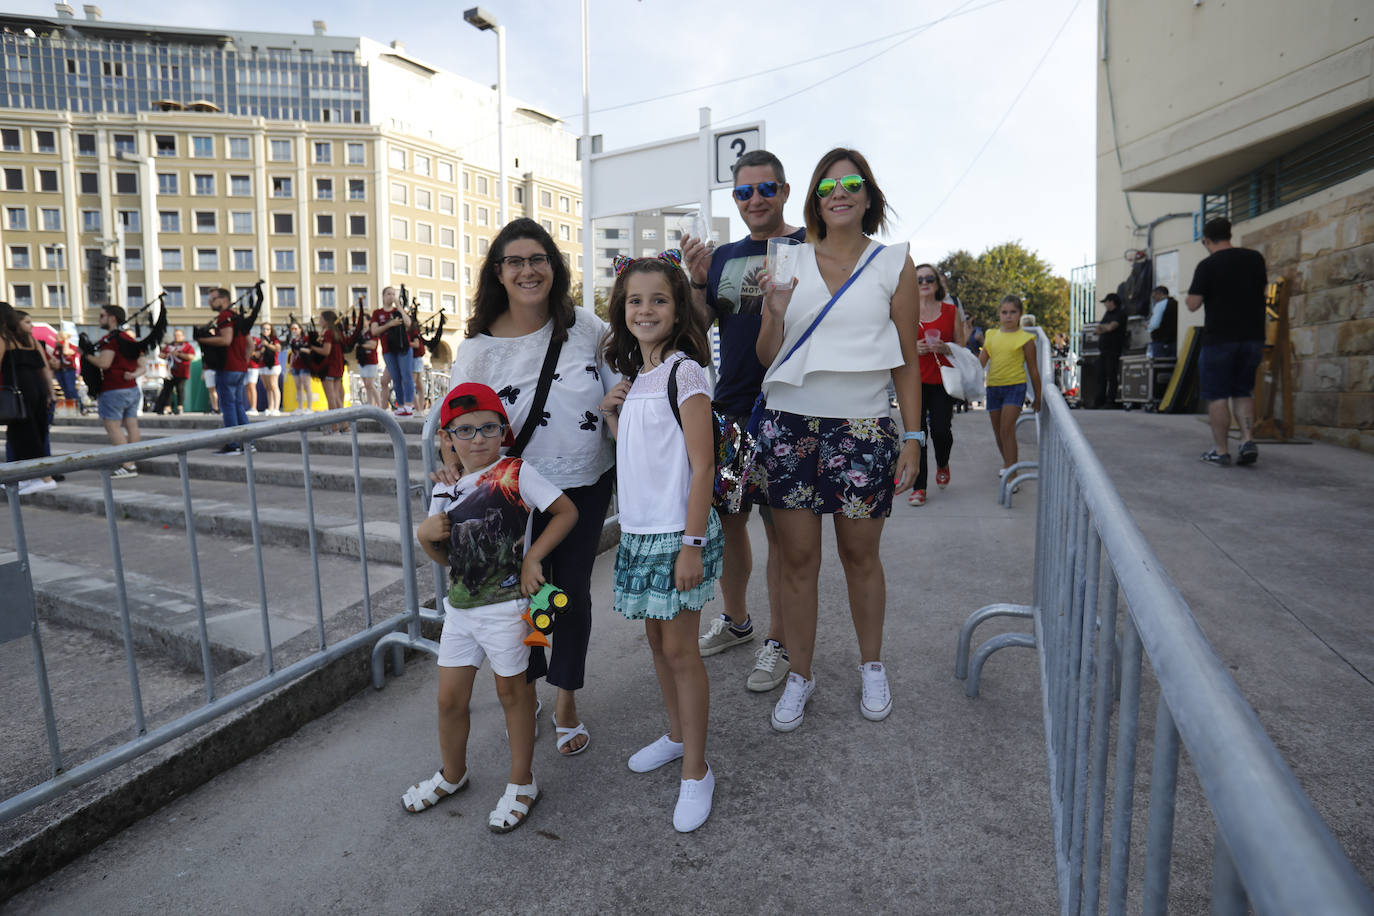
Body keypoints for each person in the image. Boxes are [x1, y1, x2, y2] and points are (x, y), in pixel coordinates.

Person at [754, 148, 923, 732]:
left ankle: (871, 664)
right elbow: (765, 358)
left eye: (852, 183)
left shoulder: (894, 263)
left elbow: (904, 358)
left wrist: (913, 435)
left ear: (869, 195)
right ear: (816, 199)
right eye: (829, 185)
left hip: (863, 429)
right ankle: (800, 674)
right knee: (798, 560)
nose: (840, 192)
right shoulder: (787, 256)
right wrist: (772, 314)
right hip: (791, 426)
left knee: (860, 556)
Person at [443, 217, 616, 757]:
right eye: (514, 261)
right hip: (512, 494)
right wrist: (451, 463)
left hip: (585, 480)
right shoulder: (478, 346)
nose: (527, 270)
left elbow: (621, 382)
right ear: (499, 272)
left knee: (569, 592)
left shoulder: (585, 325)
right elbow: (454, 421)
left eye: (537, 258)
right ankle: (528, 688)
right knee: (521, 596)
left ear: (554, 266)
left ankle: (566, 697)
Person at [403, 383, 578, 833]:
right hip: (459, 611)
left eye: (488, 427)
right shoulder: (444, 488)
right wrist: (425, 539)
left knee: (513, 696)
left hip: (506, 610)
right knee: (449, 700)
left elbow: (566, 512)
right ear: (447, 438)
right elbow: (449, 558)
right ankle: (452, 773)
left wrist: (534, 557)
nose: (478, 438)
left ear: (504, 431)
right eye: (465, 430)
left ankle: (523, 783)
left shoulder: (517, 472)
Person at [598, 256, 724, 833]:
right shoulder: (638, 380)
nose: (644, 310)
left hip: (678, 533)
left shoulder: (685, 372)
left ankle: (697, 771)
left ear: (677, 311)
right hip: (641, 533)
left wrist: (692, 546)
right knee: (656, 642)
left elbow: (702, 467)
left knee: (681, 651)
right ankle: (676, 736)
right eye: (634, 301)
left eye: (658, 300)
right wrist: (612, 417)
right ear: (622, 312)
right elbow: (643, 453)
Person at [681, 148, 799, 693]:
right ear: (735, 198)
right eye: (744, 192)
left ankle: (779, 640)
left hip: (789, 406)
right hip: (731, 409)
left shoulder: (808, 246)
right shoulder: (725, 255)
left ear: (785, 192)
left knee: (782, 532)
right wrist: (697, 282)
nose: (755, 200)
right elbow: (701, 331)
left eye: (766, 189)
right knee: (730, 525)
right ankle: (737, 622)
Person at [1186, 217, 1268, 467]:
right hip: (1253, 337)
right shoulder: (1255, 259)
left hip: (1219, 338)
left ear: (1207, 240)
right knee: (1243, 391)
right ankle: (1246, 439)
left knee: (1217, 395)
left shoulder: (1207, 265)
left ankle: (1221, 450)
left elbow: (1193, 304)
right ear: (1230, 235)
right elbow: (1262, 292)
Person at [908, 264, 968, 507]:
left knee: (942, 431)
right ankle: (919, 487)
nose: (924, 282)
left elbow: (961, 347)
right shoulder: (906, 310)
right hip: (914, 381)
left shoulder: (950, 310)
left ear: (937, 283)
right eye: (919, 278)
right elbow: (895, 343)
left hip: (944, 380)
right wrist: (914, 348)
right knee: (917, 434)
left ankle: (943, 462)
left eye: (929, 277)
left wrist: (946, 347)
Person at [979, 295, 1043, 477]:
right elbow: (979, 364)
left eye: (1013, 312)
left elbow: (1033, 370)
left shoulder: (1026, 339)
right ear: (999, 314)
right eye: (1004, 312)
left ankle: (1011, 473)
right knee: (999, 432)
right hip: (993, 388)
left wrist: (1038, 396)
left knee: (1007, 429)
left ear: (1020, 314)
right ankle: (1008, 464)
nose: (1008, 316)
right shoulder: (991, 335)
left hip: (1015, 387)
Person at [0, 303, 57, 492]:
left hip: (18, 391)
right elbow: (45, 368)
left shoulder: (3, 339)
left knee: (24, 434)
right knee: (35, 431)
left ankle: (45, 479)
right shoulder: (30, 340)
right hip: (37, 388)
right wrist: (51, 392)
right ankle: (28, 476)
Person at [83, 305, 142, 478]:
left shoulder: (111, 339)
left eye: (102, 315)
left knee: (113, 427)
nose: (99, 319)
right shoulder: (129, 339)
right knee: (132, 425)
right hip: (131, 388)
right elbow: (143, 364)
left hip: (113, 388)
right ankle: (132, 462)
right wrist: (133, 374)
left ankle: (127, 465)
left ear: (112, 318)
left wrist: (85, 354)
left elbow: (104, 363)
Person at [198, 288, 251, 455]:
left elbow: (226, 340)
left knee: (228, 406)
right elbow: (251, 344)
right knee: (238, 405)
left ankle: (233, 444)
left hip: (228, 367)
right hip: (240, 368)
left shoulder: (224, 316)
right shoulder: (238, 317)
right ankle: (249, 442)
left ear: (223, 299)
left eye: (212, 299)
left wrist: (202, 339)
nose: (210, 303)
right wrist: (244, 362)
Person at [371, 286, 415, 416]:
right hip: (388, 349)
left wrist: (399, 306)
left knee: (406, 376)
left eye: (393, 294)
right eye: (388, 294)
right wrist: (389, 324)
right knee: (396, 377)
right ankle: (400, 405)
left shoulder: (397, 310)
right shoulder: (377, 313)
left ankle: (408, 404)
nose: (391, 296)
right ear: (383, 296)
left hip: (403, 347)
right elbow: (374, 331)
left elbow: (408, 323)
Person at [310, 310, 346, 433]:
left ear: (326, 320)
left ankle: (334, 426)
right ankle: (344, 425)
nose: (319, 321)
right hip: (338, 366)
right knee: (337, 397)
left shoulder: (328, 333)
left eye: (321, 319)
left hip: (329, 367)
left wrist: (313, 347)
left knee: (331, 398)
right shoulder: (336, 332)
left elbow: (326, 351)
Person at [1095, 293, 1126, 408]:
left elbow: (1111, 327)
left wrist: (1105, 328)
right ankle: (1099, 401)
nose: (1105, 305)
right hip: (1104, 349)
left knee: (1111, 375)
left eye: (1106, 302)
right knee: (1101, 375)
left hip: (1114, 349)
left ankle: (1110, 401)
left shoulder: (1120, 313)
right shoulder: (1108, 314)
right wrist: (1105, 328)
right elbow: (1098, 329)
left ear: (1112, 302)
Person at [154, 329, 195, 415]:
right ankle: (168, 407)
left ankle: (180, 407)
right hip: (169, 372)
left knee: (180, 389)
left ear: (183, 336)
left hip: (182, 372)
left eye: (179, 335)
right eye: (176, 335)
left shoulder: (187, 346)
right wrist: (169, 354)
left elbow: (191, 356)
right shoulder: (169, 346)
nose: (177, 337)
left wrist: (179, 354)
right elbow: (160, 354)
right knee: (167, 390)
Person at [286, 322, 314, 413]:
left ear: (300, 329)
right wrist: (290, 366)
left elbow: (310, 350)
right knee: (298, 386)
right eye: (292, 329)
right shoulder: (293, 341)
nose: (294, 331)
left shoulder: (305, 339)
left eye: (295, 328)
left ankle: (309, 407)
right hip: (296, 365)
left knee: (306, 385)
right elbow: (293, 354)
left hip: (304, 365)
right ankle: (300, 407)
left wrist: (301, 348)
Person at [258, 322, 283, 416]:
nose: (265, 331)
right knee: (267, 387)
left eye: (268, 329)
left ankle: (276, 408)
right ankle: (270, 407)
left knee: (274, 386)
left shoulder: (274, 339)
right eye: (264, 329)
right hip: (262, 365)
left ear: (271, 330)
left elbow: (278, 349)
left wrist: (267, 345)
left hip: (273, 365)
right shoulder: (260, 340)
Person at [1148, 285, 1179, 359]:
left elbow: (1155, 324)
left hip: (1160, 341)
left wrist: (1148, 326)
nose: (1154, 299)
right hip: (1174, 340)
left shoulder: (1160, 305)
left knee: (1159, 365)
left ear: (1159, 294)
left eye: (1154, 297)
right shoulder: (1176, 303)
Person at [53, 330, 80, 411]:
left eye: (58, 338)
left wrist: (66, 342)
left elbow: (66, 352)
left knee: (71, 390)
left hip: (69, 370)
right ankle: (70, 408)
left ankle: (79, 408)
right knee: (65, 391)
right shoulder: (57, 348)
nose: (56, 341)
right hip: (60, 371)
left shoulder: (72, 347)